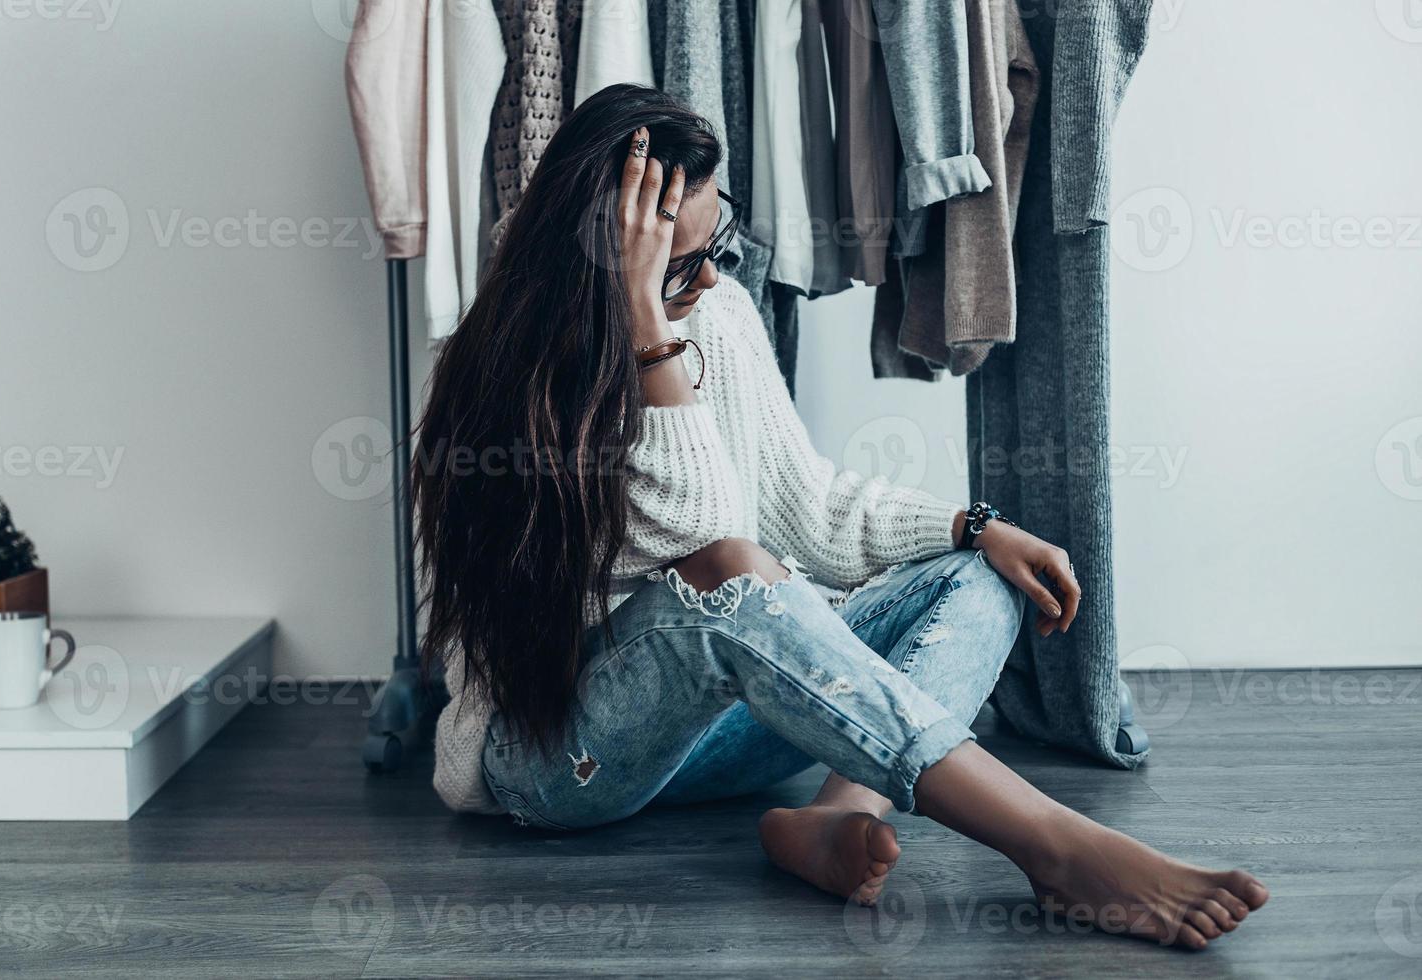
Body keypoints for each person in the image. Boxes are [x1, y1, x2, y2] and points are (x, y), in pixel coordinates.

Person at [411, 83, 1267, 950]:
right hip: (565, 763)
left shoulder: (718, 310)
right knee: (733, 574)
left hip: (721, 737)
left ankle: (835, 813)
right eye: (675, 265)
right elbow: (710, 542)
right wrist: (646, 333)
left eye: (718, 244)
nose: (708, 279)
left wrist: (972, 527)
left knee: (977, 573)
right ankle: (1055, 846)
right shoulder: (498, 376)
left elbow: (806, 507)